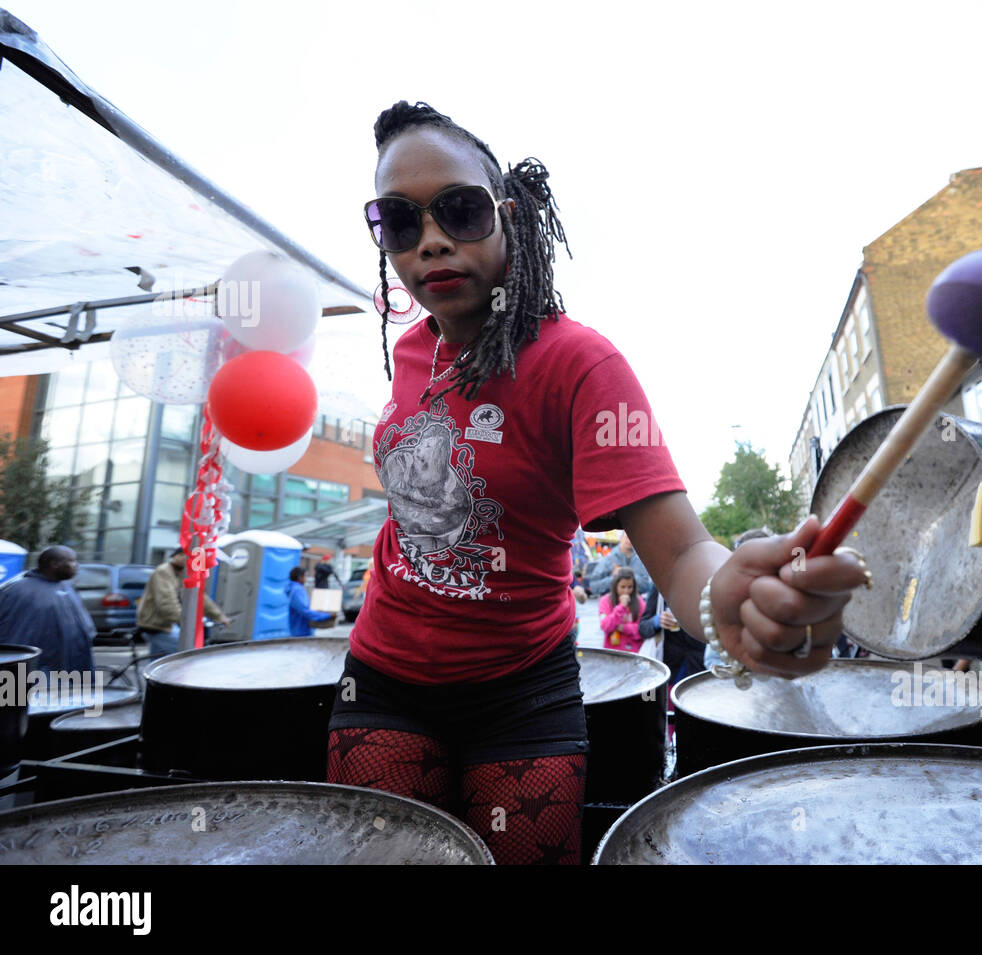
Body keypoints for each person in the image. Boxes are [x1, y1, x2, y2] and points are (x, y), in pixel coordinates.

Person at [329, 101, 866, 866]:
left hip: (521, 691)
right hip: (382, 676)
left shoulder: (580, 364)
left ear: (509, 216)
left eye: (460, 209)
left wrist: (736, 607)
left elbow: (681, 556)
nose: (434, 239)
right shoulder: (411, 352)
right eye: (400, 222)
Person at [0, 545, 94, 674]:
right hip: (35, 669)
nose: (77, 565)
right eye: (72, 561)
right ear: (54, 564)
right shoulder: (18, 590)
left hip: (71, 667)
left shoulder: (67, 587)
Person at [137, 547, 231, 657]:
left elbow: (198, 595)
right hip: (155, 625)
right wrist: (187, 621)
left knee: (158, 665)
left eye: (187, 555)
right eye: (181, 554)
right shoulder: (164, 571)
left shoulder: (183, 572)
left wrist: (218, 616)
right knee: (189, 654)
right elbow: (167, 603)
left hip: (166, 624)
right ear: (173, 556)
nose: (184, 557)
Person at [587, 531, 652, 596]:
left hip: (634, 604)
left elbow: (647, 586)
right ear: (621, 538)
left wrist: (627, 574)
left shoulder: (640, 561)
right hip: (612, 604)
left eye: (632, 538)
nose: (629, 540)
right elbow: (594, 587)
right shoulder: (608, 560)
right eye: (627, 537)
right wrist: (613, 578)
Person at [598, 568, 645, 653]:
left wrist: (623, 628)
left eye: (630, 587)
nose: (626, 591)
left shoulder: (639, 601)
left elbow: (642, 628)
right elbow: (605, 626)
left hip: (635, 652)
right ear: (615, 586)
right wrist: (621, 607)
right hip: (613, 652)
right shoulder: (605, 601)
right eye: (622, 587)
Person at [287, 567, 337, 636]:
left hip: (299, 629)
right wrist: (327, 616)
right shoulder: (297, 591)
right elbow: (305, 611)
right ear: (300, 577)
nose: (306, 578)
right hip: (301, 632)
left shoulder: (295, 589)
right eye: (305, 576)